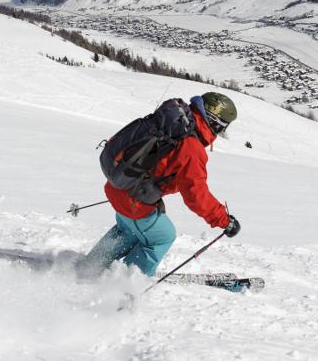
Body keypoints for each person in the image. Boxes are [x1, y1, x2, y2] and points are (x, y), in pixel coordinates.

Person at [79, 92, 240, 277]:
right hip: (133, 200)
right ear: (214, 122)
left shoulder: (174, 121)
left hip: (118, 185)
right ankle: (125, 281)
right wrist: (224, 220)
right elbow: (196, 194)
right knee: (163, 236)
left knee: (128, 230)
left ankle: (91, 266)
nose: (220, 133)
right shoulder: (191, 147)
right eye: (222, 128)